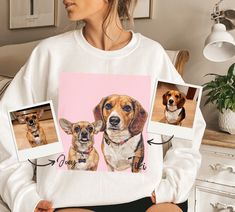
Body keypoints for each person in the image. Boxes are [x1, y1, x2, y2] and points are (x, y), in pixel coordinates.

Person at [0, 0, 206, 211]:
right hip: (69, 201)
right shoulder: (50, 54)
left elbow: (187, 129)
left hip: (145, 196)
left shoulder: (151, 55)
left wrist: (172, 186)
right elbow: (10, 131)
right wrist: (24, 196)